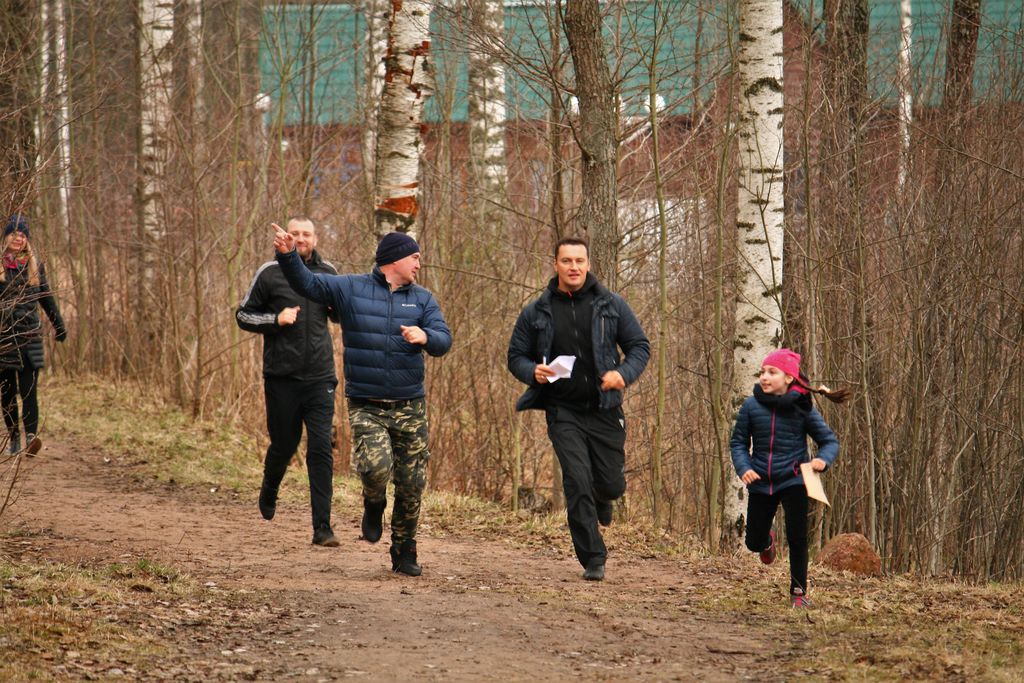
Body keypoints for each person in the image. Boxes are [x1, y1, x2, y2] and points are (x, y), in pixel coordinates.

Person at [272, 225, 452, 576]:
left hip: (410, 406)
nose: (419, 264)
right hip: (367, 404)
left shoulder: (423, 299)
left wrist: (426, 336)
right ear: (394, 259)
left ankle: (404, 551)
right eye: (414, 257)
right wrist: (288, 256)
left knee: (412, 483)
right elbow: (307, 284)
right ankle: (373, 501)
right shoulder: (350, 288)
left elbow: (444, 340)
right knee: (374, 467)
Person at [507, 236, 650, 582]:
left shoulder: (611, 305)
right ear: (555, 264)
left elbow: (639, 346)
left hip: (604, 408)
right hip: (563, 410)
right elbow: (516, 356)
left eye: (579, 261)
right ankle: (593, 557)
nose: (573, 267)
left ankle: (605, 496)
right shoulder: (537, 311)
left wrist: (622, 374)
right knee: (577, 480)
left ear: (588, 264)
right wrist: (532, 371)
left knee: (611, 485)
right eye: (567, 261)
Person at [236, 216, 342, 547]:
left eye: (306, 234)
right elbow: (243, 315)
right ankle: (270, 487)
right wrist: (275, 319)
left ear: (315, 239)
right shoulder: (269, 272)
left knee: (321, 448)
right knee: (284, 444)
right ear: (286, 237)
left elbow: (341, 315)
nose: (301, 238)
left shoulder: (328, 273)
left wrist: (336, 307)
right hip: (282, 377)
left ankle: (322, 528)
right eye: (295, 233)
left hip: (321, 377)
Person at [729, 348, 848, 608]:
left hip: (794, 479)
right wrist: (744, 467)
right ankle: (766, 541)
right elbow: (738, 443)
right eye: (762, 372)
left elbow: (829, 441)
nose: (764, 377)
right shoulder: (751, 406)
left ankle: (798, 592)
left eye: (772, 372)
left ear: (789, 378)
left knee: (797, 538)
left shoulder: (802, 408)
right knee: (753, 542)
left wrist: (822, 460)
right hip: (760, 480)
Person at [0, 215, 66, 456]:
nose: (18, 239)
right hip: (5, 338)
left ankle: (30, 437)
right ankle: (14, 437)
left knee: (29, 390)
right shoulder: (0, 266)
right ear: (6, 237)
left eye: (23, 235)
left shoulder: (35, 266)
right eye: (14, 234)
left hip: (30, 337)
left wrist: (59, 325)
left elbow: (46, 298)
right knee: (7, 392)